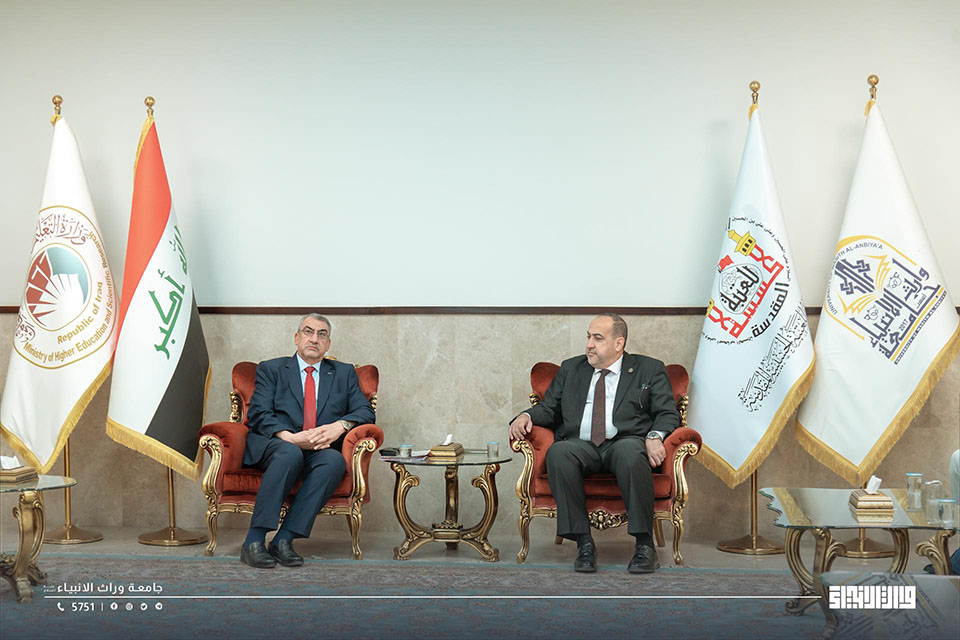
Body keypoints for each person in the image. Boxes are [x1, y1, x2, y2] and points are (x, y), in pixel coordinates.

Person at [509, 313, 679, 574]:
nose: (589, 344)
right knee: (559, 452)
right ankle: (584, 544)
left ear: (619, 343)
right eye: (588, 337)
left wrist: (655, 436)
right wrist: (526, 416)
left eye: (598, 338)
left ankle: (645, 546)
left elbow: (667, 413)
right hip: (582, 445)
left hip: (625, 441)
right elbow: (549, 408)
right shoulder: (571, 368)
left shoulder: (648, 369)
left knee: (631, 453)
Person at [240, 314, 375, 569]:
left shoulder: (344, 373)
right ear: (296, 338)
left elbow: (365, 411)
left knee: (334, 461)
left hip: (319, 447)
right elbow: (258, 412)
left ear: (328, 344)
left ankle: (284, 539)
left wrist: (339, 426)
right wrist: (289, 437)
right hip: (278, 442)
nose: (314, 339)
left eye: (321, 334)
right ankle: (253, 541)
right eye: (308, 332)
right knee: (290, 454)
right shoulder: (272, 369)